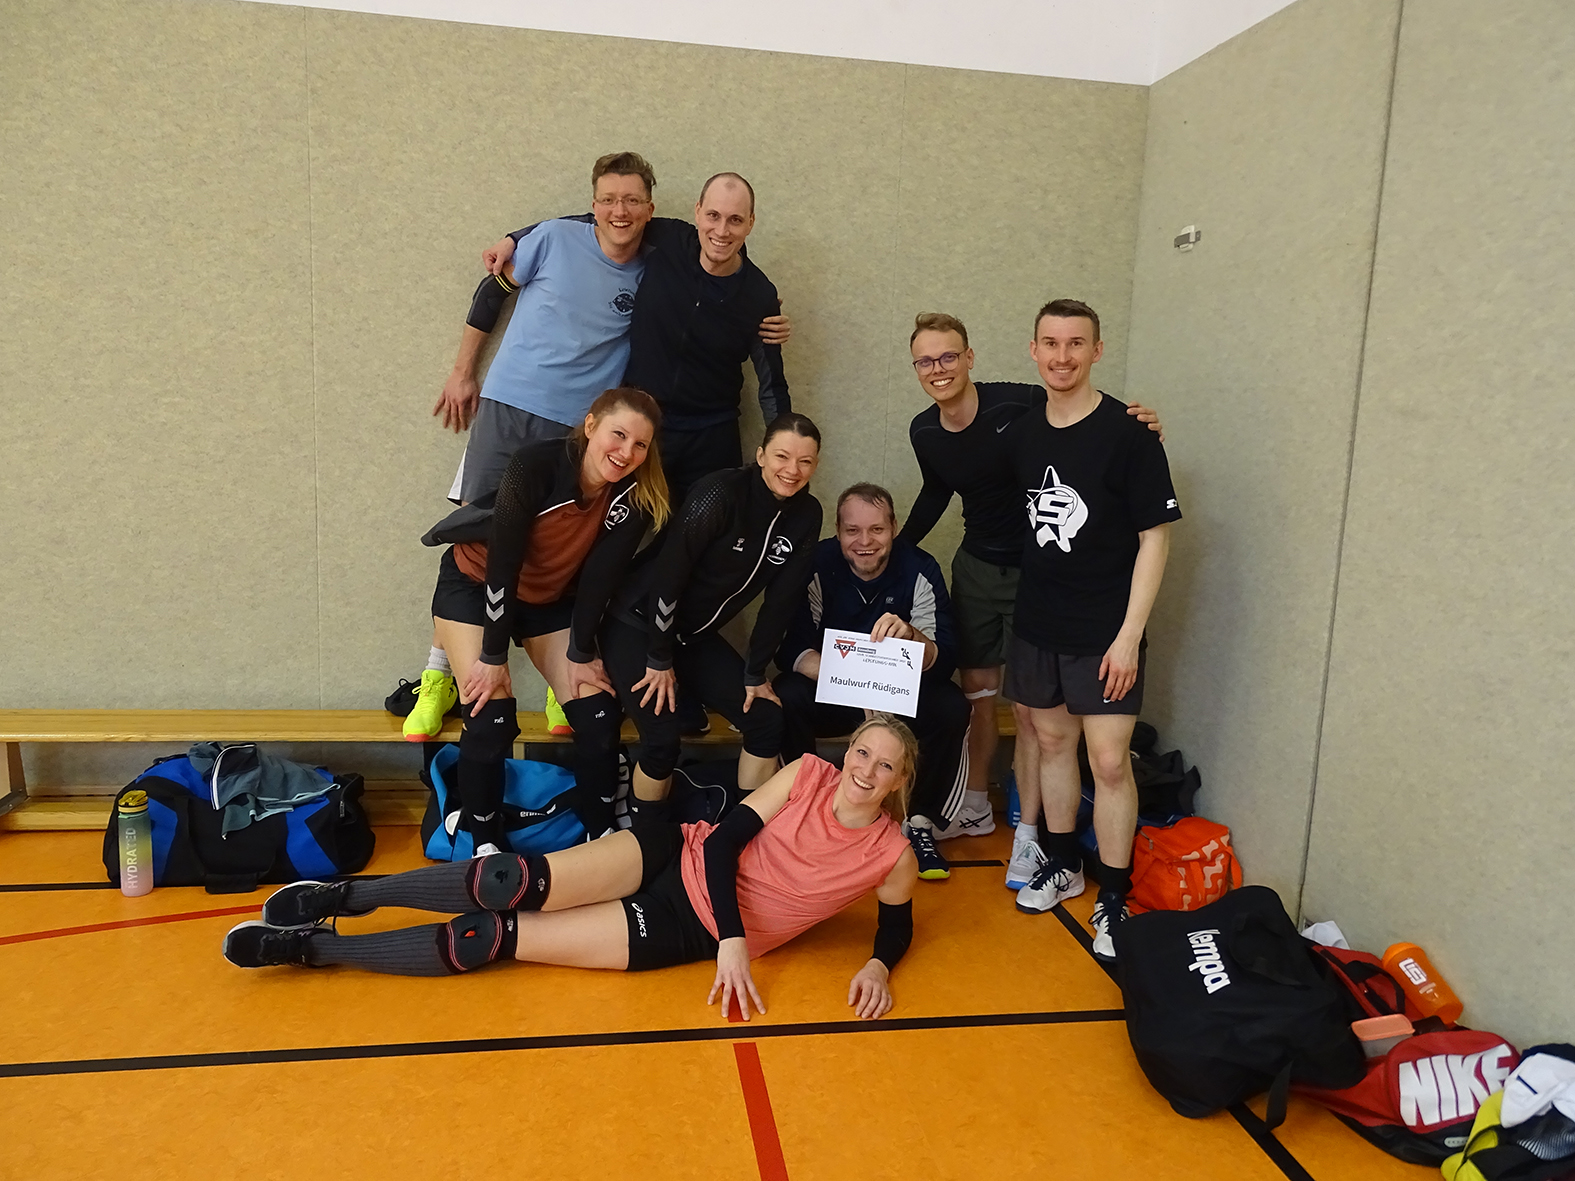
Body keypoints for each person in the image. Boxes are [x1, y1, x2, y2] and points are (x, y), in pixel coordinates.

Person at [222, 717, 922, 1023]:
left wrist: (878, 966)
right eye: (861, 752)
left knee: (488, 936)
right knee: (506, 880)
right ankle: (347, 895)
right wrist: (737, 941)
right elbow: (719, 845)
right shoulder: (808, 773)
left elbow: (895, 924)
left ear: (898, 781)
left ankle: (312, 950)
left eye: (884, 764)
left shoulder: (891, 856)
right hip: (671, 854)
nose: (865, 770)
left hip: (684, 926)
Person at [899, 312, 1163, 892]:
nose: (939, 368)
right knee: (985, 699)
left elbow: (1081, 410)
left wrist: (1135, 423)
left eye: (949, 356)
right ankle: (980, 808)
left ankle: (1031, 833)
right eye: (926, 360)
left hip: (1039, 576)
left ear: (970, 358)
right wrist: (895, 549)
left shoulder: (1017, 405)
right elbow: (938, 491)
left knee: (1045, 725)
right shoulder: (929, 431)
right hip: (983, 569)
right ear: (915, 367)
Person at [1003, 299, 1181, 961]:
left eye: (1075, 343)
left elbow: (1155, 538)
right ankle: (1061, 864)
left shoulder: (1131, 434)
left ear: (1097, 351)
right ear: (1033, 350)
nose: (1062, 356)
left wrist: (1130, 634)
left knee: (1107, 762)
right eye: (1050, 343)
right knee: (1052, 744)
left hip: (1106, 630)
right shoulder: (1022, 433)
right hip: (1038, 621)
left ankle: (1114, 895)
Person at [416, 386, 670, 848]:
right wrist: (493, 657)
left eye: (640, 444)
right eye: (618, 434)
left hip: (548, 599)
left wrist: (580, 653)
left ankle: (599, 833)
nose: (626, 452)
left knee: (597, 713)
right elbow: (503, 564)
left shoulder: (636, 496)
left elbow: (598, 581)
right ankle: (485, 842)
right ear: (590, 426)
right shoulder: (536, 464)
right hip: (476, 584)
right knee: (490, 713)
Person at [486, 170, 791, 510]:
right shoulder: (669, 240)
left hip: (711, 436)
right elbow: (606, 220)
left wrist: (786, 448)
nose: (721, 231)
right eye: (713, 216)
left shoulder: (759, 295)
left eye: (735, 220)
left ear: (750, 223)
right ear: (698, 212)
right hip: (641, 426)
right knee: (612, 527)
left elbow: (772, 385)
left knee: (704, 531)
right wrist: (516, 237)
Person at [591, 413, 824, 820]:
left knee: (766, 719)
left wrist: (755, 674)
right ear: (761, 455)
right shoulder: (721, 492)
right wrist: (659, 657)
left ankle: (741, 832)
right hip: (637, 624)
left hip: (691, 636)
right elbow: (669, 576)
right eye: (782, 456)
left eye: (805, 461)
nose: (792, 470)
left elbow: (781, 601)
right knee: (662, 740)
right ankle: (646, 835)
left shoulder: (807, 514)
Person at [772, 483, 971, 881]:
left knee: (952, 707)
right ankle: (802, 811)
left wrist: (913, 637)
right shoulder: (816, 563)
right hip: (837, 689)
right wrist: (855, 680)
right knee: (785, 695)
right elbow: (790, 649)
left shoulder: (920, 568)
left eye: (877, 529)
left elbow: (945, 657)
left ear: (893, 527)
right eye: (853, 530)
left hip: (897, 692)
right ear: (838, 530)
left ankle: (920, 823)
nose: (865, 542)